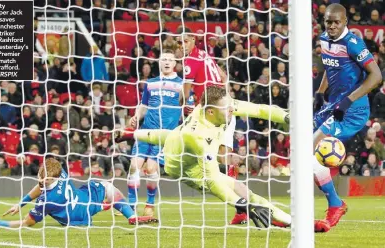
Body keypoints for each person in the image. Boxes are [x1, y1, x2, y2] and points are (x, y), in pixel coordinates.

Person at [119, 86, 291, 228]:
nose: (232, 110)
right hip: (186, 169)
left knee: (173, 136)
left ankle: (131, 134)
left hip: (178, 141)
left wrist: (286, 116)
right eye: (227, 108)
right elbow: (213, 180)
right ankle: (289, 221)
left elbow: (258, 109)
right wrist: (243, 205)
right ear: (210, 112)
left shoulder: (219, 106)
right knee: (243, 192)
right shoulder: (200, 137)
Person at [179, 27, 290, 224]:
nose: (182, 45)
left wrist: (187, 106)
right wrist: (222, 95)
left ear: (194, 40)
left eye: (185, 41)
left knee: (215, 157)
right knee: (224, 154)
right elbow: (223, 78)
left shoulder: (190, 61)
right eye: (179, 42)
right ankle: (240, 182)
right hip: (225, 106)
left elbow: (185, 93)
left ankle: (241, 205)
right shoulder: (204, 55)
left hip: (213, 113)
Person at [313, 3, 382, 232]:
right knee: (300, 147)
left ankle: (335, 205)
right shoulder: (324, 39)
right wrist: (320, 92)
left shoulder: (353, 43)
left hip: (353, 111)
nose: (332, 26)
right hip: (333, 105)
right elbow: (328, 67)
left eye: (336, 22)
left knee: (308, 146)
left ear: (345, 22)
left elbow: (376, 76)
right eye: (328, 22)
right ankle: (334, 202)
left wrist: (348, 100)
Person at [0, 158, 157, 228]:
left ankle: (123, 213)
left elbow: (27, 223)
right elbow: (40, 186)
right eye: (41, 176)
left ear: (54, 178)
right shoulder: (60, 172)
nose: (42, 181)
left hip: (75, 219)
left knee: (106, 187)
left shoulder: (46, 201)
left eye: (46, 179)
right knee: (109, 188)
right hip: (85, 203)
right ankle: (128, 214)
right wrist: (21, 203)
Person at [126, 50, 183, 217]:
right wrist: (136, 117)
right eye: (163, 59)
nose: (166, 62)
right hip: (146, 131)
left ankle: (149, 204)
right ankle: (131, 205)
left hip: (164, 135)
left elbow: (187, 109)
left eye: (169, 60)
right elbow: (144, 106)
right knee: (134, 166)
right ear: (159, 62)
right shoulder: (150, 83)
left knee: (151, 169)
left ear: (174, 64)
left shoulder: (182, 85)